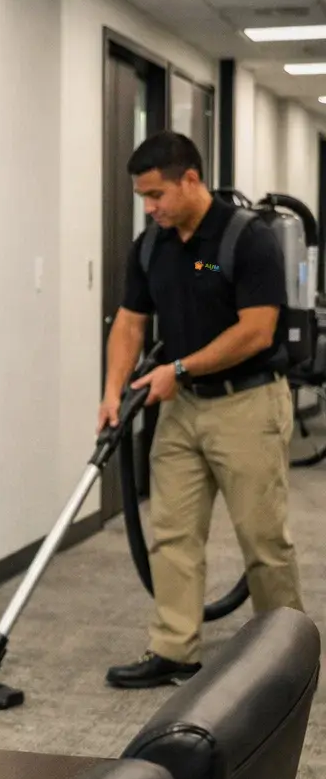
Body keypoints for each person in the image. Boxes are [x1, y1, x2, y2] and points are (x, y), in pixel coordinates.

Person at [100, 130, 304, 689]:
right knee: (171, 533)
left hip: (248, 404)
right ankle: (174, 649)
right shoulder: (151, 246)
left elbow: (257, 330)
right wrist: (114, 391)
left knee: (261, 536)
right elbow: (131, 322)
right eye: (143, 197)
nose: (149, 207)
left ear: (191, 179)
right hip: (181, 408)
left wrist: (178, 370)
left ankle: (284, 655)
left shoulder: (247, 240)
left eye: (156, 194)